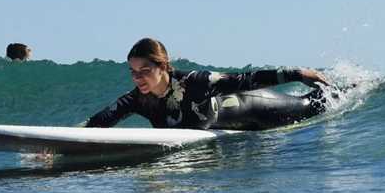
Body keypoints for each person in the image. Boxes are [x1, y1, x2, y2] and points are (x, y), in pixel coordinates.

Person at [84, 38, 336, 131]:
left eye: (145, 71)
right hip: (238, 131)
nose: (138, 78)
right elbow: (101, 120)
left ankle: (350, 88)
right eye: (133, 72)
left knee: (311, 105)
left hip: (257, 107)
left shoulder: (195, 82)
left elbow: (244, 79)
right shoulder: (139, 99)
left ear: (163, 66)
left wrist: (297, 72)